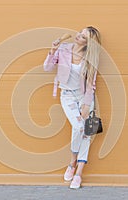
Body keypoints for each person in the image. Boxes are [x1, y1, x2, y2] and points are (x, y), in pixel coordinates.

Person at [43, 26, 101, 189]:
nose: (78, 36)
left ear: (89, 43)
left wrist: (86, 105)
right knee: (78, 127)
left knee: (87, 134)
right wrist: (52, 51)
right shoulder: (64, 49)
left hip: (85, 97)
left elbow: (91, 85)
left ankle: (78, 173)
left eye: (84, 36)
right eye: (80, 33)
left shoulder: (91, 58)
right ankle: (72, 161)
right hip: (67, 95)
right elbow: (47, 68)